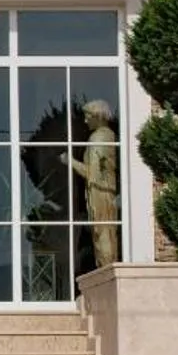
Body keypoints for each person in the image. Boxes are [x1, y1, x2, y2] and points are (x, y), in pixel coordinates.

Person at [66, 98, 120, 271]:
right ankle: (105, 271)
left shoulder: (99, 137)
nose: (85, 120)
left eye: (88, 116)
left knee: (102, 232)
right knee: (102, 232)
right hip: (101, 191)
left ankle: (106, 271)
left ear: (98, 116)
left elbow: (93, 173)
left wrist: (69, 161)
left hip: (101, 191)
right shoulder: (105, 136)